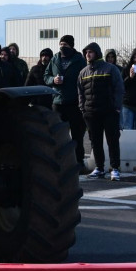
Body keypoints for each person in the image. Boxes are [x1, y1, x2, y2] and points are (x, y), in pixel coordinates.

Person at [77, 42, 123, 180]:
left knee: (112, 140)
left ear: (96, 53)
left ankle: (115, 169)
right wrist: (82, 108)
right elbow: (80, 92)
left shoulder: (110, 69)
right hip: (91, 113)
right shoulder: (83, 72)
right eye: (86, 52)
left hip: (109, 112)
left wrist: (116, 107)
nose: (87, 54)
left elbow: (119, 89)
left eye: (90, 52)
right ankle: (100, 168)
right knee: (95, 142)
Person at [45, 35, 88, 172]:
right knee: (57, 134)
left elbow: (84, 78)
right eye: (61, 44)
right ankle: (58, 161)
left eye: (65, 45)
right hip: (58, 101)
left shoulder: (79, 60)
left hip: (74, 101)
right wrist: (53, 80)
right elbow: (46, 76)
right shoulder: (55, 59)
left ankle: (78, 161)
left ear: (71, 46)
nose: (62, 47)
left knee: (77, 134)